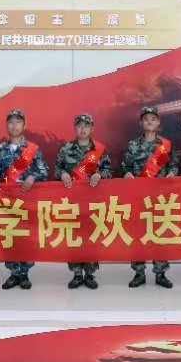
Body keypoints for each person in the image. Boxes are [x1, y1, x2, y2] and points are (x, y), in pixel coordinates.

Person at [0, 109, 49, 290]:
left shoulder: (33, 149)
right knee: (9, 237)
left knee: (26, 237)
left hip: (27, 202)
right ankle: (13, 273)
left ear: (24, 125)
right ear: (6, 125)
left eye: (18, 122)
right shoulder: (0, 149)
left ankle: (24, 274)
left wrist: (33, 177)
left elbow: (44, 170)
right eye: (11, 122)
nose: (14, 125)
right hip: (7, 202)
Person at [121, 107, 178, 289]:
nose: (150, 122)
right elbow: (125, 167)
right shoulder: (132, 145)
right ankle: (139, 273)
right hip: (138, 197)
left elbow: (174, 166)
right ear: (141, 123)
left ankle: (160, 273)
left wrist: (172, 173)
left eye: (153, 119)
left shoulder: (166, 146)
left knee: (160, 234)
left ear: (158, 122)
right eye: (146, 119)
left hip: (160, 198)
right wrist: (127, 173)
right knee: (138, 235)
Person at [55, 113, 111, 290]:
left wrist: (100, 174)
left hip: (93, 201)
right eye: (79, 125)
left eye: (86, 126)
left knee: (91, 236)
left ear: (92, 128)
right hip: (71, 201)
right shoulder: (66, 148)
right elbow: (57, 168)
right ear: (75, 128)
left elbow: (109, 170)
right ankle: (77, 274)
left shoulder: (99, 150)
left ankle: (90, 274)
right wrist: (62, 174)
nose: (83, 129)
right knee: (73, 237)